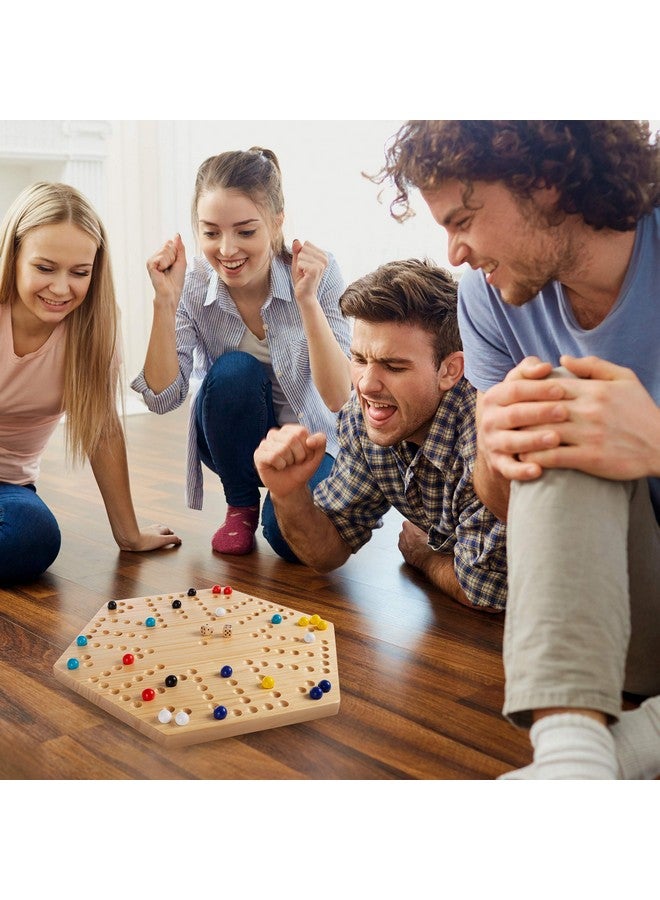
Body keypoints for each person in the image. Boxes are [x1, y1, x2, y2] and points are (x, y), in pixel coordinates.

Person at [374, 119, 660, 779]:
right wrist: (496, 452)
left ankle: (607, 756)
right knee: (551, 409)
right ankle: (570, 751)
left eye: (463, 221)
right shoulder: (487, 298)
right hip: (626, 618)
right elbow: (508, 509)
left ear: (545, 181)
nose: (454, 253)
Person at [132, 147, 351, 559]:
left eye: (245, 232)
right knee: (234, 370)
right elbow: (162, 398)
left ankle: (282, 504)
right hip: (234, 439)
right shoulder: (193, 285)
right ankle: (241, 504)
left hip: (310, 440)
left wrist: (307, 301)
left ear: (277, 222)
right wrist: (165, 301)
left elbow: (340, 396)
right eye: (211, 233)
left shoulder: (320, 274)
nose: (227, 249)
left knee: (291, 543)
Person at [254, 258, 507, 612]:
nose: (366, 385)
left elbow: (488, 592)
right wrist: (289, 492)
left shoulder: (484, 440)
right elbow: (328, 552)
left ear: (450, 370)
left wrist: (424, 556)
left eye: (393, 366)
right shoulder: (363, 417)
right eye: (359, 359)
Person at [0, 181, 181, 586]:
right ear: (13, 255)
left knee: (32, 535)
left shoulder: (94, 326)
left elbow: (101, 429)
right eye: (45, 268)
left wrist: (129, 535)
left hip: (9, 489)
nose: (61, 288)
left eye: (79, 272)